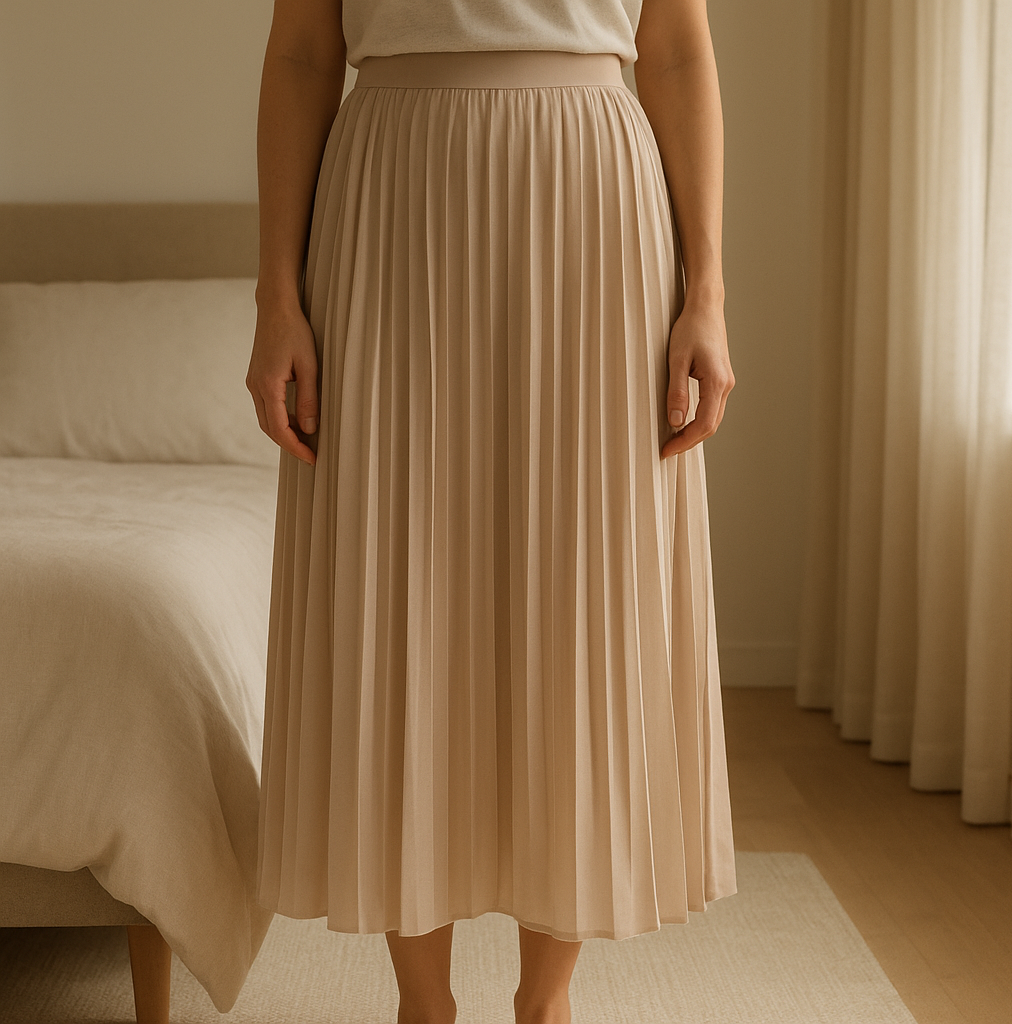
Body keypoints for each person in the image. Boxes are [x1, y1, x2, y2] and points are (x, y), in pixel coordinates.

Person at [246, 1, 738, 1022]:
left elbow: (678, 47)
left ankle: (544, 1002)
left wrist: (707, 294)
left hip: (593, 211)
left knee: (581, 597)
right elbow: (301, 53)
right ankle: (421, 1004)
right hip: (391, 200)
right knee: (400, 588)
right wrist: (277, 299)